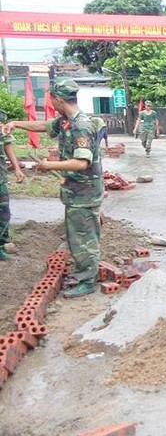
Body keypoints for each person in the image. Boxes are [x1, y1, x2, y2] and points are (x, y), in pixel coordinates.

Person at [1, 80, 103, 297]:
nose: (51, 104)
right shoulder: (66, 121)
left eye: (51, 100)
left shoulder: (81, 125)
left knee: (84, 238)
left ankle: (88, 281)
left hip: (84, 193)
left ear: (58, 99)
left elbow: (81, 163)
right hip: (75, 192)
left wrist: (49, 165)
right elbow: (45, 126)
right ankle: (83, 273)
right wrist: (17, 124)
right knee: (77, 236)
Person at [0, 109, 26, 261]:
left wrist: (16, 169)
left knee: (4, 211)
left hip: (1, 176)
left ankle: (3, 243)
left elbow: (7, 144)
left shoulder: (2, 123)